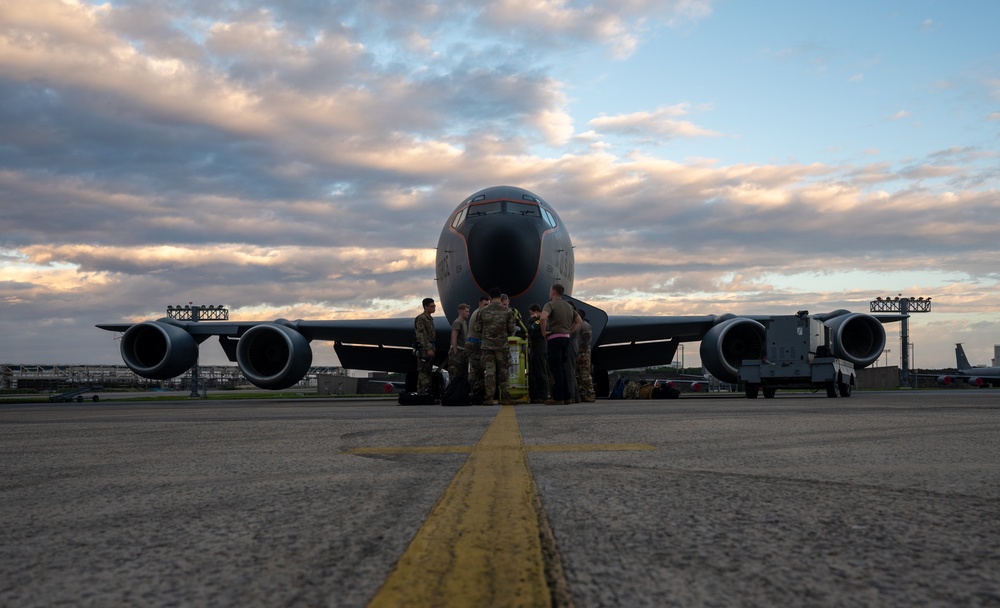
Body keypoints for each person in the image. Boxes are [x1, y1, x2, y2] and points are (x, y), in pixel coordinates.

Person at [539, 284, 581, 405]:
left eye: (549, 291)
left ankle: (558, 397)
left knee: (555, 368)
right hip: (566, 339)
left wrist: (543, 332)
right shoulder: (568, 306)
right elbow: (579, 321)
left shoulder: (550, 304)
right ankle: (567, 396)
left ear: (553, 292)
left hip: (554, 339)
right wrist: (569, 331)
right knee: (563, 367)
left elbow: (543, 318)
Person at [474, 287, 516, 405]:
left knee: (490, 372)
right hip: (502, 346)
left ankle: (489, 398)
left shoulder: (482, 311)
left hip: (487, 346)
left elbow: (477, 328)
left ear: (489, 297)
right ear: (500, 297)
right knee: (503, 371)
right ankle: (506, 397)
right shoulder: (507, 311)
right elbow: (512, 330)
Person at [466, 295, 490, 403]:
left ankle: (475, 393)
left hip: (476, 344)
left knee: (478, 370)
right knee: (475, 370)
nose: (487, 307)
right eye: (485, 305)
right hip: (475, 345)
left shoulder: (478, 313)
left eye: (488, 305)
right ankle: (470, 393)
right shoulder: (479, 314)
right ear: (480, 304)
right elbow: (479, 329)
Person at [527, 303, 550, 404]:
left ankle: (543, 394)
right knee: (534, 372)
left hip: (540, 348)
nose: (531, 316)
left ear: (536, 312)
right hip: (535, 348)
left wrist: (533, 320)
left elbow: (533, 328)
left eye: (531, 313)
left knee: (541, 371)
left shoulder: (542, 320)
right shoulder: (534, 321)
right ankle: (535, 395)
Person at [414, 297, 437, 394]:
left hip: (430, 345)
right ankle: (426, 392)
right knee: (424, 371)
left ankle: (421, 392)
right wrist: (428, 348)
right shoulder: (421, 318)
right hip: (425, 348)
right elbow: (421, 335)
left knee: (427, 370)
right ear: (425, 307)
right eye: (431, 306)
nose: (434, 308)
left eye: (434, 306)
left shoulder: (430, 318)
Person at [576, 309, 596, 402]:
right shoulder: (577, 325)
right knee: (578, 375)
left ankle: (590, 394)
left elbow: (586, 340)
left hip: (583, 352)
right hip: (578, 351)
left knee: (585, 374)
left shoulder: (584, 326)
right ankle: (583, 394)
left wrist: (583, 353)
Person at [448, 303, 471, 383]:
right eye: (466, 311)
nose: (468, 313)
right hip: (458, 351)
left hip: (463, 352)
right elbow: (454, 336)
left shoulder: (464, 323)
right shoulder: (457, 322)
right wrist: (455, 352)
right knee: (455, 374)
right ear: (461, 311)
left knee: (462, 374)